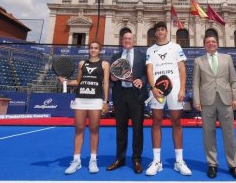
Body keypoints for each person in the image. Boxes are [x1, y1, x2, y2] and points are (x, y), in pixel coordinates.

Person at [192, 33, 236, 180]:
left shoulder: (227, 58)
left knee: (230, 134)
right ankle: (212, 164)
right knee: (208, 134)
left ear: (217, 44)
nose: (211, 43)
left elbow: (233, 80)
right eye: (208, 42)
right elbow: (195, 83)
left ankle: (233, 165)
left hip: (226, 100)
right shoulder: (198, 61)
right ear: (204, 45)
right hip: (206, 101)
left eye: (213, 41)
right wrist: (197, 100)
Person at [145, 21, 192, 176]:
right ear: (155, 33)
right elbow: (149, 70)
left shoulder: (176, 47)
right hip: (157, 90)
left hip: (175, 89)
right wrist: (153, 87)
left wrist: (183, 89)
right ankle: (156, 161)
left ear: (166, 31)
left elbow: (182, 69)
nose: (160, 32)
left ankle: (179, 161)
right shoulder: (150, 50)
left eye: (162, 29)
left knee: (176, 122)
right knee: (156, 121)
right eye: (157, 30)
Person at [58, 41, 110, 174]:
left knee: (94, 129)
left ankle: (93, 160)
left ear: (100, 50)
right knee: (79, 129)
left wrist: (106, 101)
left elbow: (105, 84)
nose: (93, 50)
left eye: (96, 48)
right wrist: (66, 82)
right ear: (89, 49)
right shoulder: (82, 63)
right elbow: (78, 81)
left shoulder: (104, 64)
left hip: (96, 100)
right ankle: (76, 161)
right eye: (91, 48)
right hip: (80, 99)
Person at [106, 32, 148, 174]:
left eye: (130, 39)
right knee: (120, 129)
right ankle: (120, 158)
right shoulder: (115, 57)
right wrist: (113, 78)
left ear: (134, 40)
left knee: (138, 129)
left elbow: (147, 75)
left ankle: (136, 159)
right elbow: (111, 77)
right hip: (120, 95)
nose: (127, 41)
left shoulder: (142, 55)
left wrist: (141, 81)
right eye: (125, 39)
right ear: (122, 41)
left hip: (136, 96)